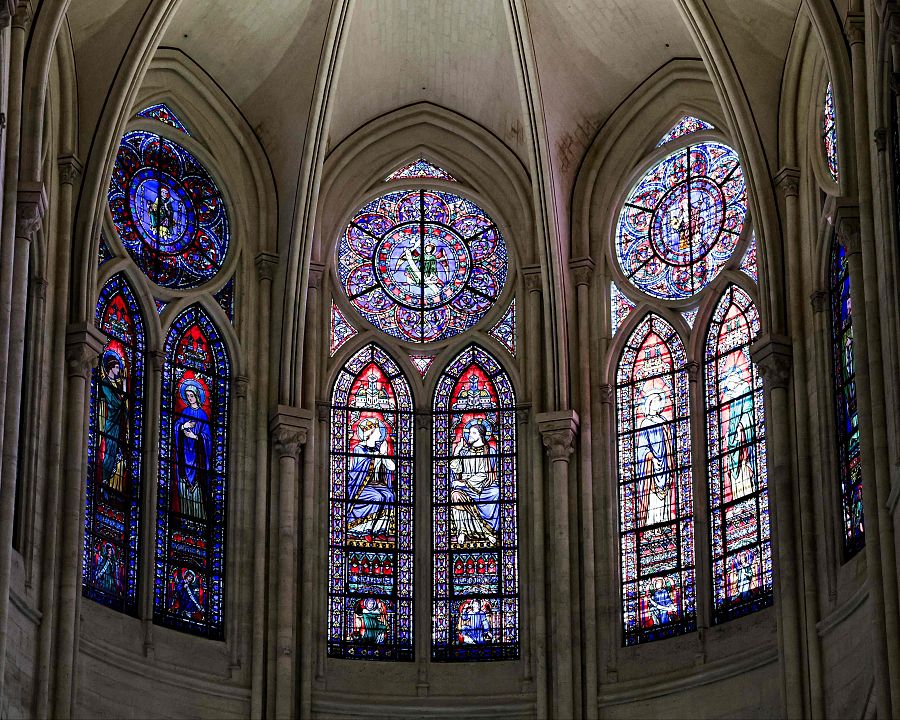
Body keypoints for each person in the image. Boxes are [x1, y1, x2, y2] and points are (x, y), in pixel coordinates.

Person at [449, 419, 499, 545]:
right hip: (466, 488)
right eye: (469, 433)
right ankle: (462, 531)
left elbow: (484, 475)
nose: (469, 436)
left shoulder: (490, 452)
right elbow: (456, 468)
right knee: (455, 495)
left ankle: (489, 531)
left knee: (496, 492)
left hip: (483, 486)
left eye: (473, 433)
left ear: (480, 435)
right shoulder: (465, 452)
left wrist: (464, 483)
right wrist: (457, 451)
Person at [347, 417, 395, 543]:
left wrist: (383, 455)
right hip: (361, 485)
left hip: (378, 485)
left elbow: (392, 467)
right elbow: (358, 470)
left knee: (389, 496)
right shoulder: (359, 449)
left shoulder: (380, 448)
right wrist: (377, 455)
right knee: (377, 498)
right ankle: (364, 530)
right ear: (371, 434)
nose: (380, 433)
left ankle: (379, 530)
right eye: (378, 431)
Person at [636, 386, 675, 526]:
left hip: (664, 463)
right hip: (652, 467)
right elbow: (642, 447)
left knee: (665, 498)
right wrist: (649, 456)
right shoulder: (645, 423)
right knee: (653, 498)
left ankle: (665, 524)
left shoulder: (664, 421)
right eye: (656, 401)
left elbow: (670, 442)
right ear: (650, 404)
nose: (659, 404)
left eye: (660, 401)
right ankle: (652, 526)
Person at [174, 379, 212, 520]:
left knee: (198, 489)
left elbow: (208, 439)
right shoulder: (185, 411)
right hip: (185, 456)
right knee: (184, 487)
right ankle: (185, 517)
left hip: (198, 458)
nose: (190, 398)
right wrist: (183, 427)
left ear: (197, 396)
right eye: (188, 395)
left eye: (192, 395)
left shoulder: (202, 415)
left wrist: (195, 437)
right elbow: (176, 428)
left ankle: (198, 519)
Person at [721, 350, 755, 501]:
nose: (728, 389)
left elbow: (748, 413)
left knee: (744, 468)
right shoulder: (734, 398)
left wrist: (741, 428)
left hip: (743, 438)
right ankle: (738, 498)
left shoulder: (745, 390)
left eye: (729, 383)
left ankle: (748, 496)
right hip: (735, 438)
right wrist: (730, 433)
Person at [97, 350, 127, 492]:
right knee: (110, 450)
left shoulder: (118, 385)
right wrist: (124, 394)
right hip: (110, 422)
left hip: (119, 423)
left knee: (118, 453)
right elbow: (114, 403)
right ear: (110, 368)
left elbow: (122, 406)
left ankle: (114, 485)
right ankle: (104, 479)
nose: (118, 370)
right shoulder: (105, 383)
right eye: (116, 368)